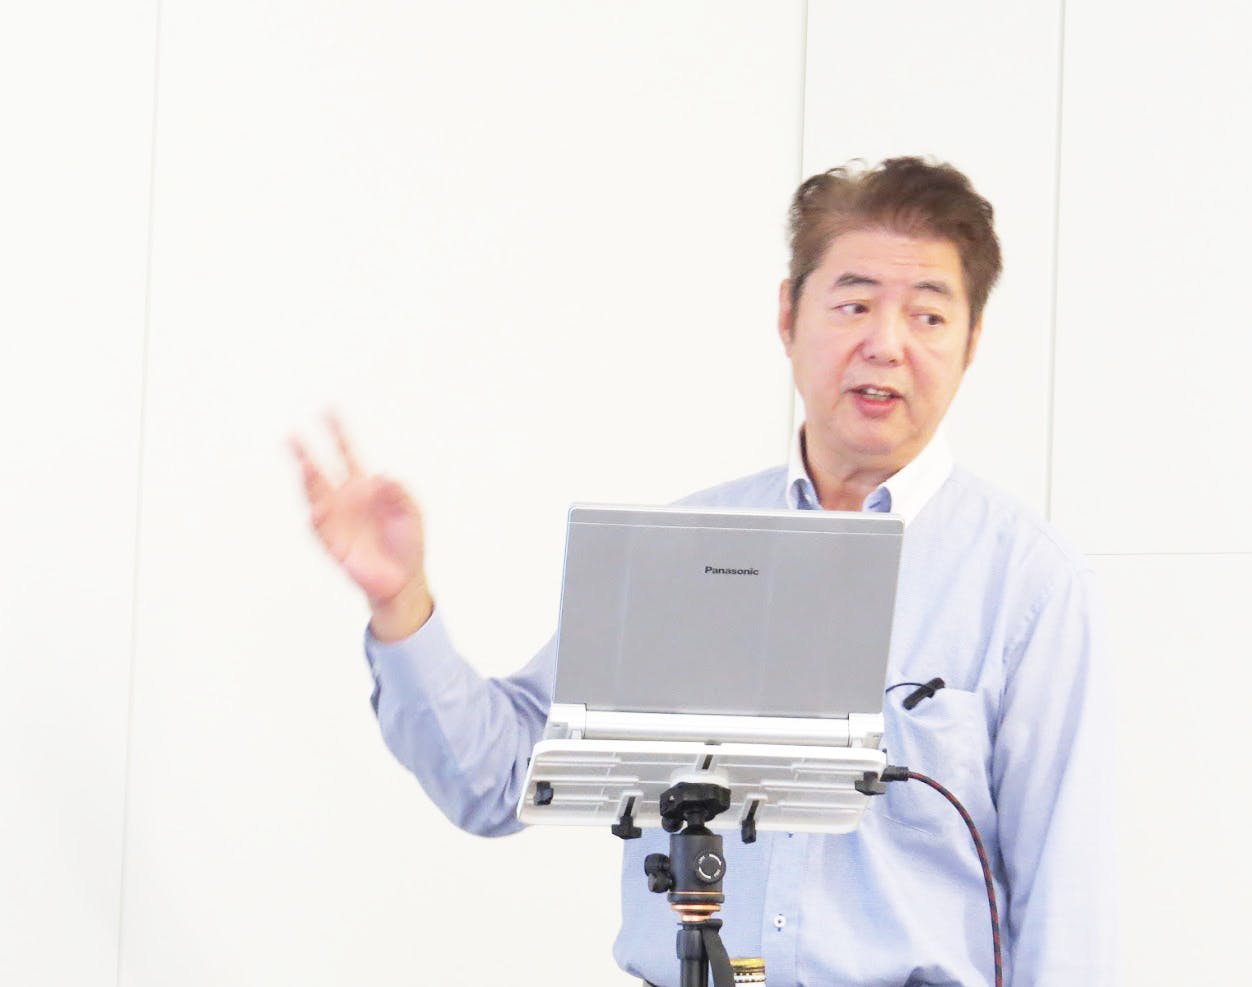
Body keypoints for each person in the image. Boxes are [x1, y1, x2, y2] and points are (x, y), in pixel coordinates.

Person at [292, 157, 1116, 986]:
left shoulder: (1028, 583)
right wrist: (401, 599)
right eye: (855, 304)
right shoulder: (682, 553)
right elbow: (497, 778)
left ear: (972, 342)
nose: (886, 344)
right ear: (788, 316)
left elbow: (1065, 901)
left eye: (928, 315)